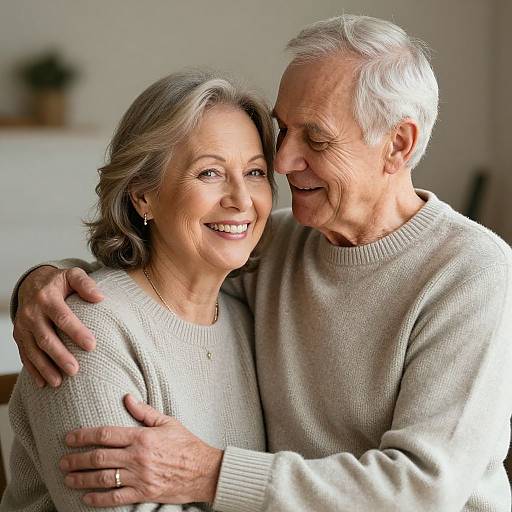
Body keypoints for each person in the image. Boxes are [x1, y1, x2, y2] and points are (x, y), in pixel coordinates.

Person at [9, 14, 512, 512]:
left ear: (397, 145)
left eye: (315, 138)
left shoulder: (471, 271)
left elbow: (424, 489)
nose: (282, 163)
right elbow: (163, 268)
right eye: (283, 131)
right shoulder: (275, 245)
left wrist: (207, 472)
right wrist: (43, 283)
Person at [1, 69, 276, 511]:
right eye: (209, 173)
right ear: (143, 195)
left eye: (256, 172)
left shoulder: (245, 317)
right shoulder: (83, 327)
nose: (242, 199)